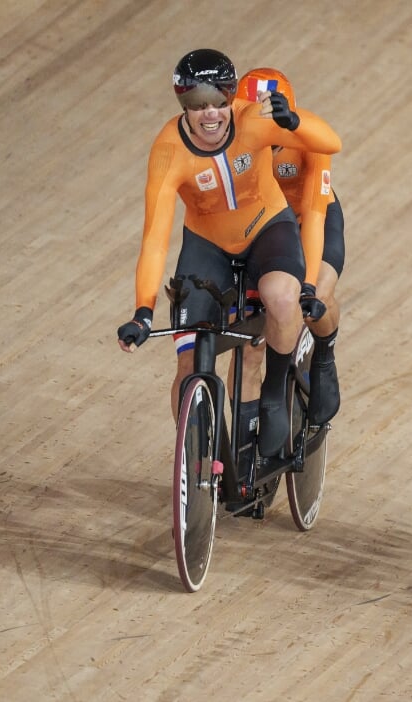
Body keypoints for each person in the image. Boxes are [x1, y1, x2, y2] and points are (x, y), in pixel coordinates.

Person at [116, 48, 341, 462]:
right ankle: (198, 466)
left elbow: (331, 142)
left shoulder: (252, 119)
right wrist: (142, 311)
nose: (210, 115)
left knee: (282, 298)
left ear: (231, 99)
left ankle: (275, 392)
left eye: (219, 102)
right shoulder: (168, 151)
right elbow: (155, 238)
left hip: (268, 229)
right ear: (182, 105)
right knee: (188, 365)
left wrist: (295, 122)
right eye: (197, 106)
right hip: (207, 246)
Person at [231, 67, 345, 438]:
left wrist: (309, 285)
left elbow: (314, 215)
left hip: (309, 216)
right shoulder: (231, 137)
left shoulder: (306, 139)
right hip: (263, 226)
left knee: (319, 296)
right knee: (249, 337)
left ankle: (324, 354)